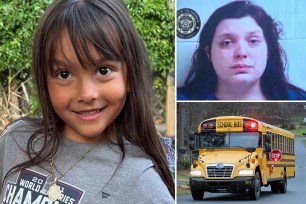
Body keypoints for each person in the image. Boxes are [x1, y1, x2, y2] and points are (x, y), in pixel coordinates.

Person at [0, 0, 174, 203]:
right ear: (44, 80)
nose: (86, 93)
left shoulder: (142, 183)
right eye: (64, 74)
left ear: (129, 75)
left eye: (103, 70)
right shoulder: (16, 141)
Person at [177, 0, 306, 100]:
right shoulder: (181, 100)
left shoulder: (299, 100)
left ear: (268, 50)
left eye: (253, 41)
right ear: (208, 52)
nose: (241, 53)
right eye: (227, 43)